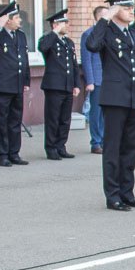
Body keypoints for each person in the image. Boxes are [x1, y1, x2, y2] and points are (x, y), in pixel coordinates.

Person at [84, 0, 135, 211]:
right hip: (114, 98)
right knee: (112, 149)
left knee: (130, 148)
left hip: (133, 97)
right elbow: (91, 45)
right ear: (114, 10)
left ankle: (127, 193)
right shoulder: (106, 32)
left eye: (132, 7)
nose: (132, 11)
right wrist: (104, 19)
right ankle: (113, 196)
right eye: (126, 7)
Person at [0, 1, 31, 166]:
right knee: (1, 121)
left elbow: (24, 59)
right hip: (1, 86)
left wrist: (26, 80)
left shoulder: (20, 35)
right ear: (7, 20)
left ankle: (14, 153)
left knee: (15, 120)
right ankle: (2, 154)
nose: (20, 21)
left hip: (17, 84)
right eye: (16, 18)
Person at [38, 9, 81, 160]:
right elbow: (42, 48)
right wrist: (54, 32)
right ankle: (50, 148)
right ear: (55, 24)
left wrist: (76, 84)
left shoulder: (68, 42)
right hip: (54, 86)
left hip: (67, 85)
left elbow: (74, 65)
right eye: (64, 22)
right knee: (53, 118)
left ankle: (61, 145)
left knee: (65, 119)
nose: (67, 25)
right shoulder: (48, 39)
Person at [81, 5, 106, 154]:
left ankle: (104, 140)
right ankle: (95, 142)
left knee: (105, 113)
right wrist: (89, 81)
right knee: (95, 113)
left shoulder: (108, 33)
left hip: (108, 79)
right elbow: (86, 59)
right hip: (96, 80)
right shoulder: (88, 34)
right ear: (98, 17)